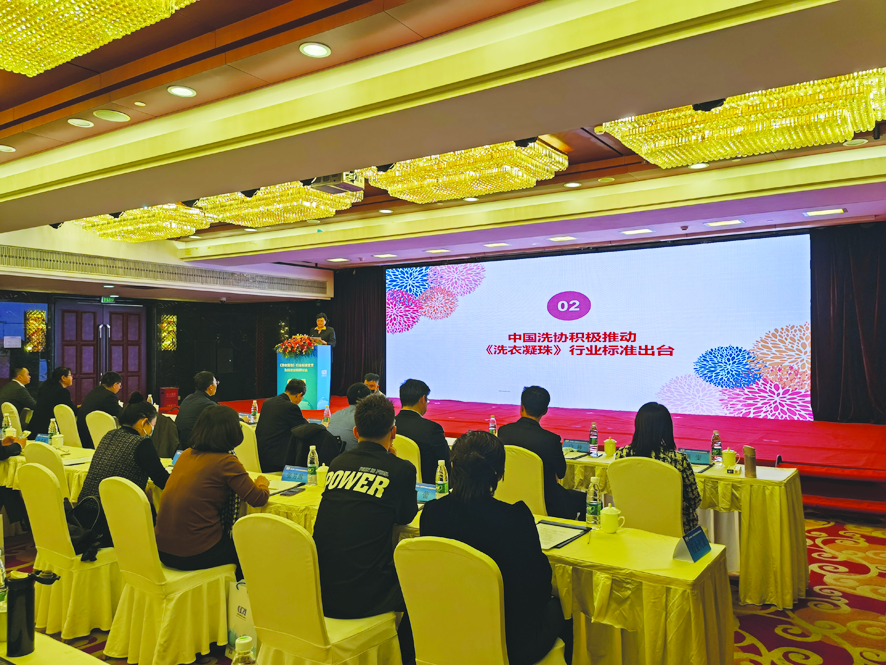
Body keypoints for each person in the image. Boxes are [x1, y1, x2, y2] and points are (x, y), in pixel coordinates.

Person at [421, 431, 570, 665]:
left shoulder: (432, 512)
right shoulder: (515, 517)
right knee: (568, 610)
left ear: (453, 466)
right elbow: (540, 587)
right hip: (511, 644)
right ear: (499, 473)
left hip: (448, 631)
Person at [312, 393, 417, 658]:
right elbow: (405, 516)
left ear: (356, 432)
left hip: (320, 589)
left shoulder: (338, 463)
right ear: (393, 433)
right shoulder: (401, 469)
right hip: (365, 595)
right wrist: (393, 463)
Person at [156, 405, 270, 579]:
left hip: (162, 550)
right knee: (253, 548)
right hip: (195, 552)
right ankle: (240, 594)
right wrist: (262, 484)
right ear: (231, 432)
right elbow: (257, 498)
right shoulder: (226, 462)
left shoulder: (186, 454)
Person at [78, 396, 169, 546]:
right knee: (155, 513)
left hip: (83, 515)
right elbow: (162, 480)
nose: (152, 429)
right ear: (144, 422)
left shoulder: (109, 435)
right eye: (153, 424)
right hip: (112, 520)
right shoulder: (142, 443)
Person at [497, 386, 585, 520]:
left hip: (508, 498)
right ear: (545, 411)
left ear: (522, 406)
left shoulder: (503, 432)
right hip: (547, 503)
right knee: (587, 501)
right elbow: (561, 474)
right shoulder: (551, 440)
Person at [614, 402, 702, 534]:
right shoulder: (678, 460)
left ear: (638, 425)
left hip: (632, 527)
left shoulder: (622, 455)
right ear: (666, 428)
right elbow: (694, 501)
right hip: (676, 531)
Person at [395, 379, 450, 484]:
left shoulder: (387, 425)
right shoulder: (432, 429)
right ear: (423, 399)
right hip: (424, 487)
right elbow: (445, 462)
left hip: (393, 483)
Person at [255, 379, 307, 472]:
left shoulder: (268, 402)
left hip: (259, 455)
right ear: (299, 395)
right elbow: (304, 428)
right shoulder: (290, 407)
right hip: (277, 460)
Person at [76, 371, 122, 449]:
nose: (120, 388)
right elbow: (119, 413)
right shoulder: (109, 396)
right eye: (120, 385)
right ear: (115, 385)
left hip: (82, 432)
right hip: (92, 436)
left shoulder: (96, 390)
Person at [28, 366, 76, 439]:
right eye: (70, 375)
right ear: (63, 378)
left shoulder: (45, 387)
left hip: (34, 427)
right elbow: (71, 411)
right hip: (48, 429)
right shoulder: (61, 392)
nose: (72, 377)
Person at [176, 371, 218, 450]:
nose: (217, 385)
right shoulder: (209, 404)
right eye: (216, 383)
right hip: (194, 446)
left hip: (179, 443)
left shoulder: (188, 398)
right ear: (210, 387)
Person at [327, 382, 371, 452]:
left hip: (332, 456)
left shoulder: (334, 415)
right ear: (368, 399)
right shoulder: (365, 418)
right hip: (355, 457)